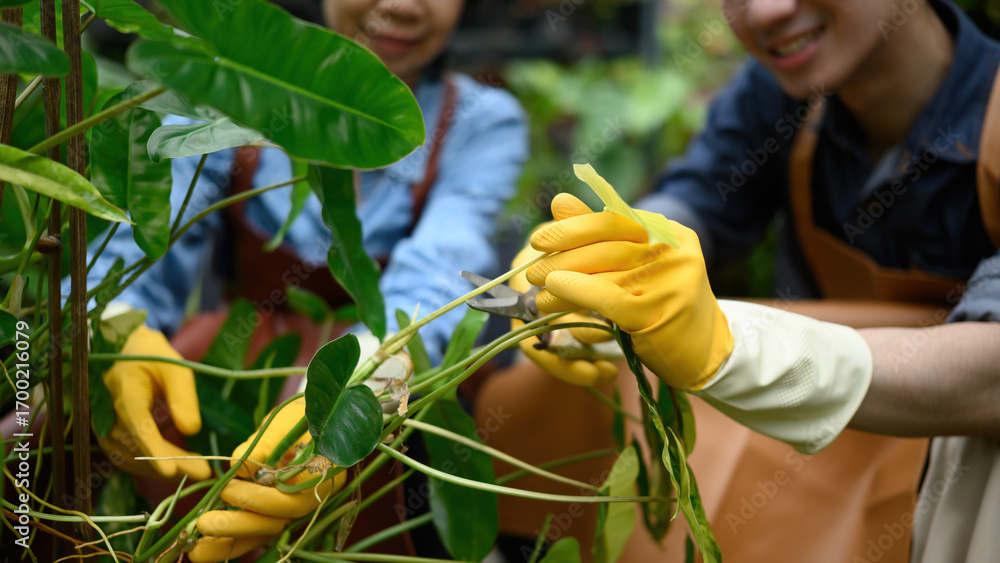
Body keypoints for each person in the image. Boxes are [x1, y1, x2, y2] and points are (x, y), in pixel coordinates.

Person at [491, 0, 1000, 561]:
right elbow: (700, 197)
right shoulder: (782, 89)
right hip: (807, 470)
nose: (766, 11)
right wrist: (613, 251)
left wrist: (737, 351)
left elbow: (989, 375)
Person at [81, 0, 528, 559]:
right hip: (231, 365)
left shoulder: (480, 120)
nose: (401, 6)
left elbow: (443, 262)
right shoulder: (227, 88)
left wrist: (365, 383)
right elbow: (144, 238)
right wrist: (119, 327)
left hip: (395, 394)